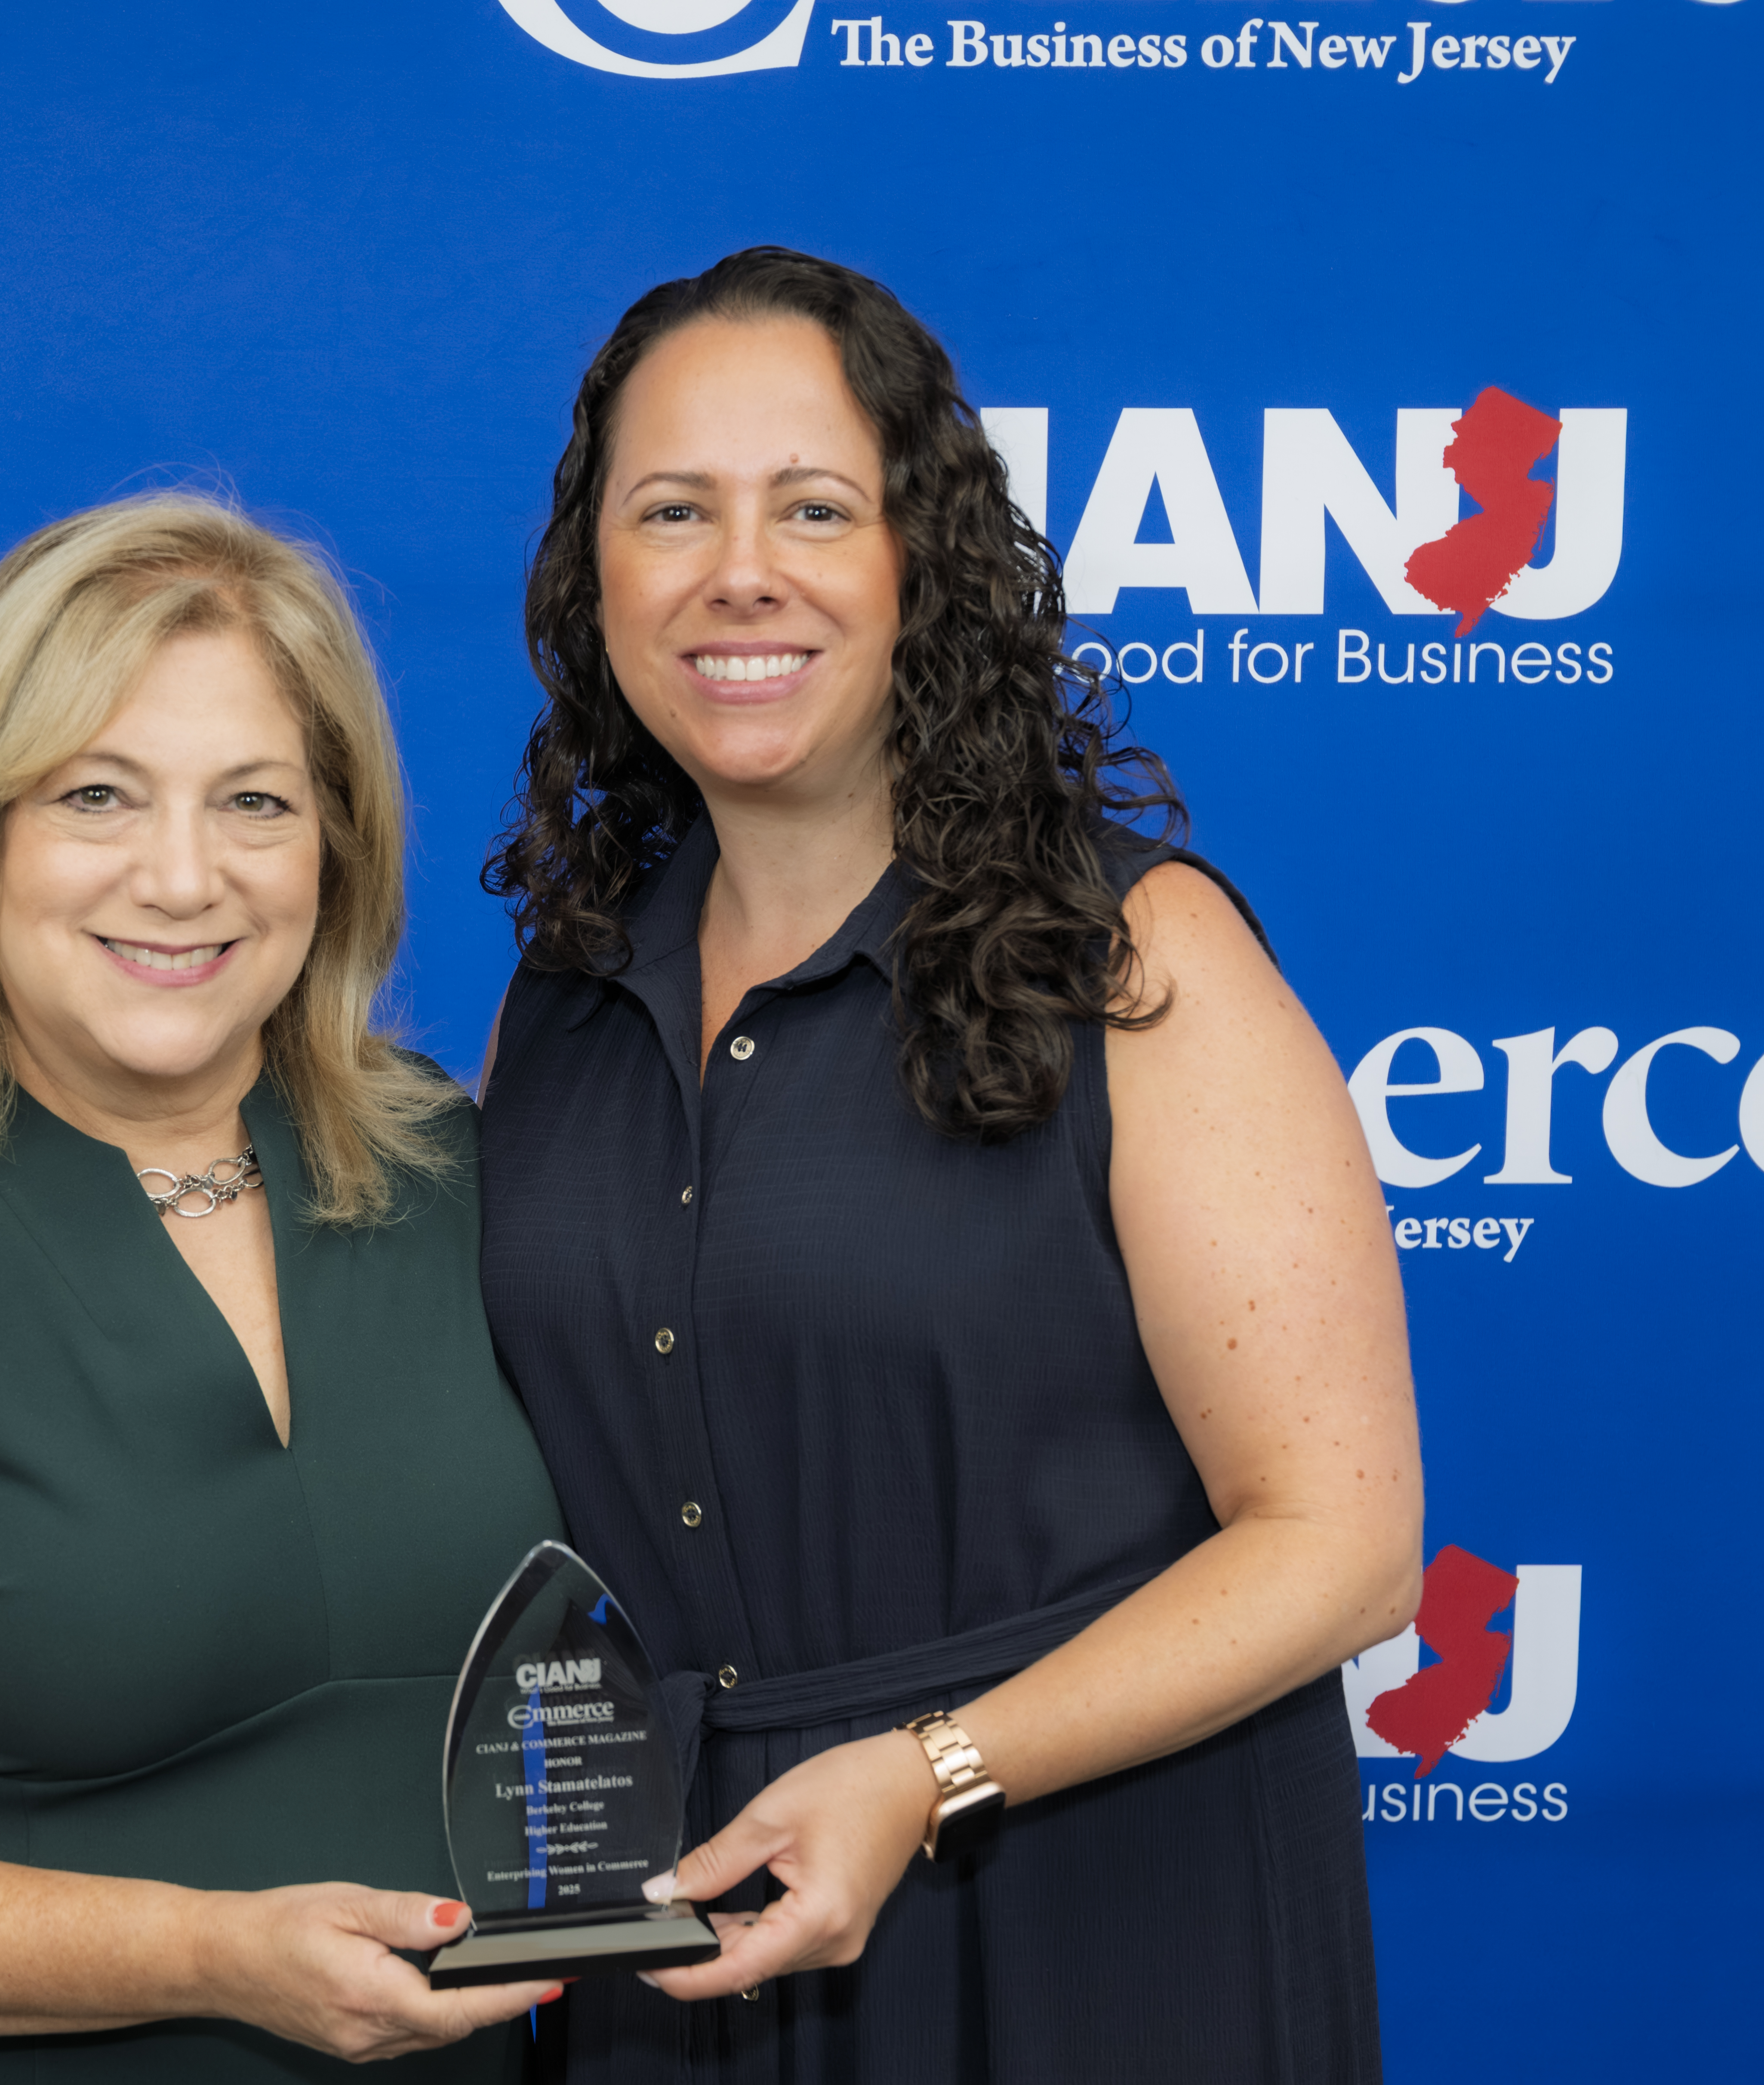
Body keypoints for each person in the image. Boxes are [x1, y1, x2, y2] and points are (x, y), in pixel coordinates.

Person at [477, 248, 1424, 2080]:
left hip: (1085, 1924)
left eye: (814, 508)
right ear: (594, 576)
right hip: (665, 1942)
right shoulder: (562, 999)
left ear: (922, 562)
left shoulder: (1138, 965)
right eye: (671, 510)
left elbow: (1345, 1543)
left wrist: (930, 1777)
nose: (737, 569)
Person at [0, 494, 567, 2082]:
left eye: (256, 802)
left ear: (334, 849)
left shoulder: (467, 1177)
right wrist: (211, 1956)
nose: (184, 877)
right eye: (98, 796)